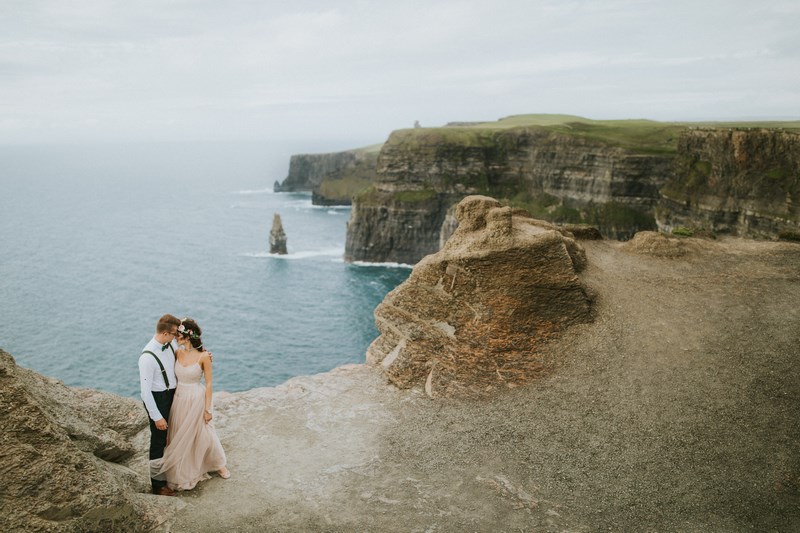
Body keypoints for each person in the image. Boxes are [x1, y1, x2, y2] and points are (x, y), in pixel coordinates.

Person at [150, 317, 229, 491]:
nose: (175, 337)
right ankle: (184, 469)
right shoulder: (177, 352)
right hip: (179, 398)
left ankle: (218, 464)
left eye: (178, 334)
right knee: (180, 435)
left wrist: (208, 409)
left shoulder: (204, 357)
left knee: (203, 432)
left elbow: (209, 384)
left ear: (188, 336)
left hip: (196, 397)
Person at [138, 314, 181, 496]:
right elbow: (145, 392)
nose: (176, 337)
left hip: (174, 394)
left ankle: (173, 472)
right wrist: (157, 416)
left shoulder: (170, 344)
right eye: (174, 334)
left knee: (173, 436)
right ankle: (158, 485)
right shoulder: (147, 357)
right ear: (165, 333)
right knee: (158, 441)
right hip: (159, 399)